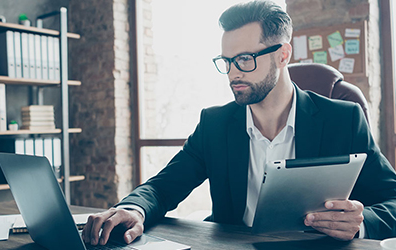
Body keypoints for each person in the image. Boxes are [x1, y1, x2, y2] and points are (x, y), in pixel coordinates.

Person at [83, 0, 396, 245]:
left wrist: (362, 221)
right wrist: (134, 209)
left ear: (283, 54)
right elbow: (163, 187)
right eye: (227, 61)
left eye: (245, 59)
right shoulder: (215, 124)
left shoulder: (343, 120)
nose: (233, 73)